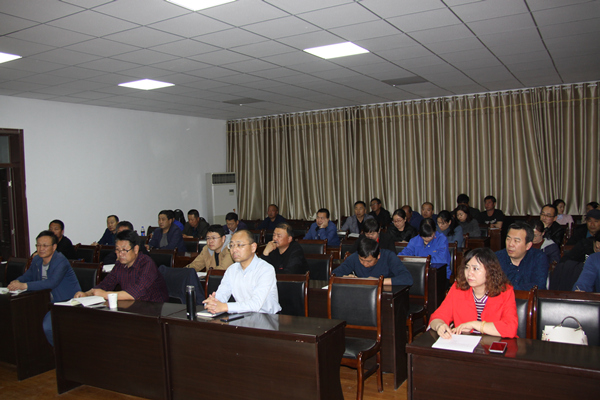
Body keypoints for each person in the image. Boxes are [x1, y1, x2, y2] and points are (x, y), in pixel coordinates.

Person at [8, 230, 81, 345]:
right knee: (23, 319)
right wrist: (17, 281)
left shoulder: (61, 261)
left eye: (45, 245)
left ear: (54, 247)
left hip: (66, 302)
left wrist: (24, 285)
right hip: (44, 300)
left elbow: (52, 283)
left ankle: (59, 351)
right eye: (38, 245)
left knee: (48, 326)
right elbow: (28, 276)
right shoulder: (37, 259)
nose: (41, 248)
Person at [429, 248, 518, 339]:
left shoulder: (505, 291)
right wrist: (440, 326)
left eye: (475, 269)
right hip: (465, 344)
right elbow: (437, 316)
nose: (469, 273)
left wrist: (475, 325)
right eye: (467, 267)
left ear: (490, 271)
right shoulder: (458, 288)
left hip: (495, 343)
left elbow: (510, 328)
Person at [75, 230, 169, 302]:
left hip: (155, 310)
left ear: (136, 249)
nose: (120, 254)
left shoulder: (147, 264)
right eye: (117, 250)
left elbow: (134, 294)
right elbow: (105, 284)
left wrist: (105, 294)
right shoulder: (119, 265)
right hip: (133, 308)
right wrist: (87, 294)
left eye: (124, 250)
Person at [203, 230, 281, 314]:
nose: (234, 250)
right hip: (244, 315)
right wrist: (213, 303)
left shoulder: (265, 269)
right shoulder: (231, 270)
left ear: (253, 247)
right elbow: (222, 294)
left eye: (239, 245)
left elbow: (255, 305)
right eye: (231, 245)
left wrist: (225, 306)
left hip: (267, 317)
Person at [332, 237, 413, 286]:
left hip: (385, 295)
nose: (364, 264)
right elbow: (334, 274)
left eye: (369, 261)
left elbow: (407, 279)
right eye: (361, 260)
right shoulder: (355, 257)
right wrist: (344, 278)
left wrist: (378, 281)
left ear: (378, 256)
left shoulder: (389, 256)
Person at [495, 221, 549, 290]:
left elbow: (539, 285)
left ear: (528, 245)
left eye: (516, 241)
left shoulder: (538, 258)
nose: (510, 244)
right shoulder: (497, 257)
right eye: (508, 239)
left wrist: (509, 290)